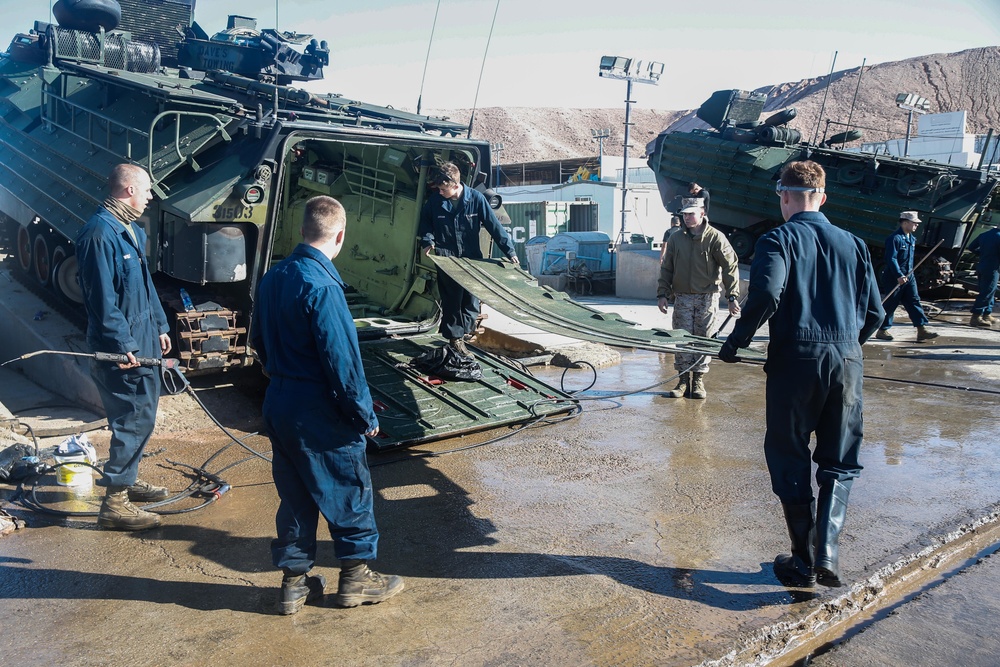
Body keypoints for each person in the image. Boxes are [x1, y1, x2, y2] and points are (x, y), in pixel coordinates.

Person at [719, 161, 884, 589]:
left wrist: (736, 342)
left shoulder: (778, 239)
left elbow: (768, 294)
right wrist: (847, 347)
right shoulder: (855, 244)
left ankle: (803, 558)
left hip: (796, 361)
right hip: (848, 360)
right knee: (839, 461)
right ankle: (826, 553)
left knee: (789, 454)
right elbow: (877, 314)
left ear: (784, 195)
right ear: (823, 198)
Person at [251, 195, 403, 614]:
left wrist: (281, 377)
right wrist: (363, 415)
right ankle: (356, 579)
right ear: (340, 235)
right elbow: (343, 362)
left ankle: (293, 584)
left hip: (280, 401)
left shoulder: (274, 277)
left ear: (302, 231)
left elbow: (257, 341)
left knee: (296, 495)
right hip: (318, 407)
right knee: (347, 488)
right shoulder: (323, 286)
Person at [76, 163, 171, 531]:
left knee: (143, 413)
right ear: (129, 189)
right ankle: (115, 502)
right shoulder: (99, 235)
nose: (150, 197)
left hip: (143, 337)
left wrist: (160, 325)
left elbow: (144, 287)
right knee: (131, 418)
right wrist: (124, 344)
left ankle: (128, 479)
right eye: (147, 190)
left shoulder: (130, 229)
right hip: (123, 349)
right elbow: (101, 301)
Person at [419, 162, 519, 356]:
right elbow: (425, 223)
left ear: (455, 185)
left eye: (443, 189)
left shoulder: (476, 199)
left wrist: (510, 252)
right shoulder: (435, 202)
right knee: (451, 302)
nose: (440, 192)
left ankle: (463, 334)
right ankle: (455, 340)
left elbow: (494, 226)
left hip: (471, 260)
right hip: (447, 260)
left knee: (471, 302)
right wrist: (428, 241)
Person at [656, 197, 740, 399]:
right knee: (682, 339)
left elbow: (730, 267)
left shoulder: (715, 237)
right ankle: (683, 381)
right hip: (683, 297)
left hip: (707, 297)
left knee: (703, 339)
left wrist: (732, 296)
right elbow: (667, 268)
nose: (686, 217)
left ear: (702, 213)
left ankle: (698, 381)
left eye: (691, 213)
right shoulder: (676, 239)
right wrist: (662, 293)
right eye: (684, 214)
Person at [875, 211, 939, 342]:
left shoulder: (911, 239)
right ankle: (882, 330)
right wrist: (899, 275)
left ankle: (922, 329)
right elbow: (891, 259)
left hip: (909, 276)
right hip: (894, 277)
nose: (916, 225)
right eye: (914, 223)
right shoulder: (895, 239)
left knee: (914, 301)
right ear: (904, 223)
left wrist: (907, 275)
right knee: (891, 303)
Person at [969, 225, 1000, 329]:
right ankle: (976, 317)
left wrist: (983, 254)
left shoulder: (984, 234)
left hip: (981, 266)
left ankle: (987, 314)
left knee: (990, 290)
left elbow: (971, 247)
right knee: (987, 292)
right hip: (992, 268)